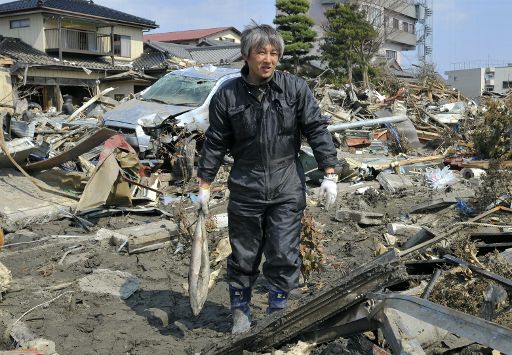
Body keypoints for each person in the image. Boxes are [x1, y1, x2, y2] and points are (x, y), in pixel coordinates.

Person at [196, 23, 338, 334]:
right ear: (246, 55)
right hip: (246, 186)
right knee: (244, 253)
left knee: (283, 253)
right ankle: (240, 311)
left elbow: (316, 128)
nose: (268, 59)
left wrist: (330, 172)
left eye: (274, 53)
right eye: (261, 52)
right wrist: (204, 185)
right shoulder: (228, 95)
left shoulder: (294, 88)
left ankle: (277, 311)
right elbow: (216, 141)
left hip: (287, 183)